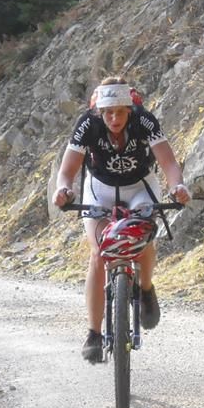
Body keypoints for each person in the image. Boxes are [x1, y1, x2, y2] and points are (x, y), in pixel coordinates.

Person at [52, 76, 191, 363]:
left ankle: (146, 287)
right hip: (99, 188)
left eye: (120, 112)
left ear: (130, 110)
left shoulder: (144, 121)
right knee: (98, 253)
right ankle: (94, 332)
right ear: (99, 113)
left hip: (139, 186)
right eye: (108, 113)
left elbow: (168, 163)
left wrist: (178, 186)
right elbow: (67, 171)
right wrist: (63, 190)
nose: (114, 118)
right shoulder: (87, 124)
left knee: (143, 238)